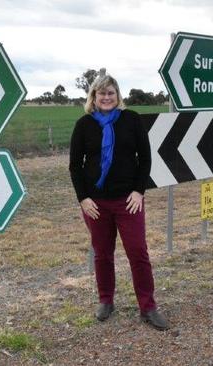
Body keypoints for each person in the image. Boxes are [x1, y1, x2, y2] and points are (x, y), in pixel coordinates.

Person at [69, 74, 169, 331]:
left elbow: (144, 159)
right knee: (102, 255)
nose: (106, 97)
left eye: (111, 93)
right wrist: (83, 198)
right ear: (93, 97)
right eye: (101, 94)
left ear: (118, 95)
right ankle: (106, 300)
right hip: (95, 204)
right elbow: (75, 167)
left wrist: (139, 191)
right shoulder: (83, 125)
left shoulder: (131, 120)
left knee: (138, 252)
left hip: (128, 201)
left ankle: (148, 307)